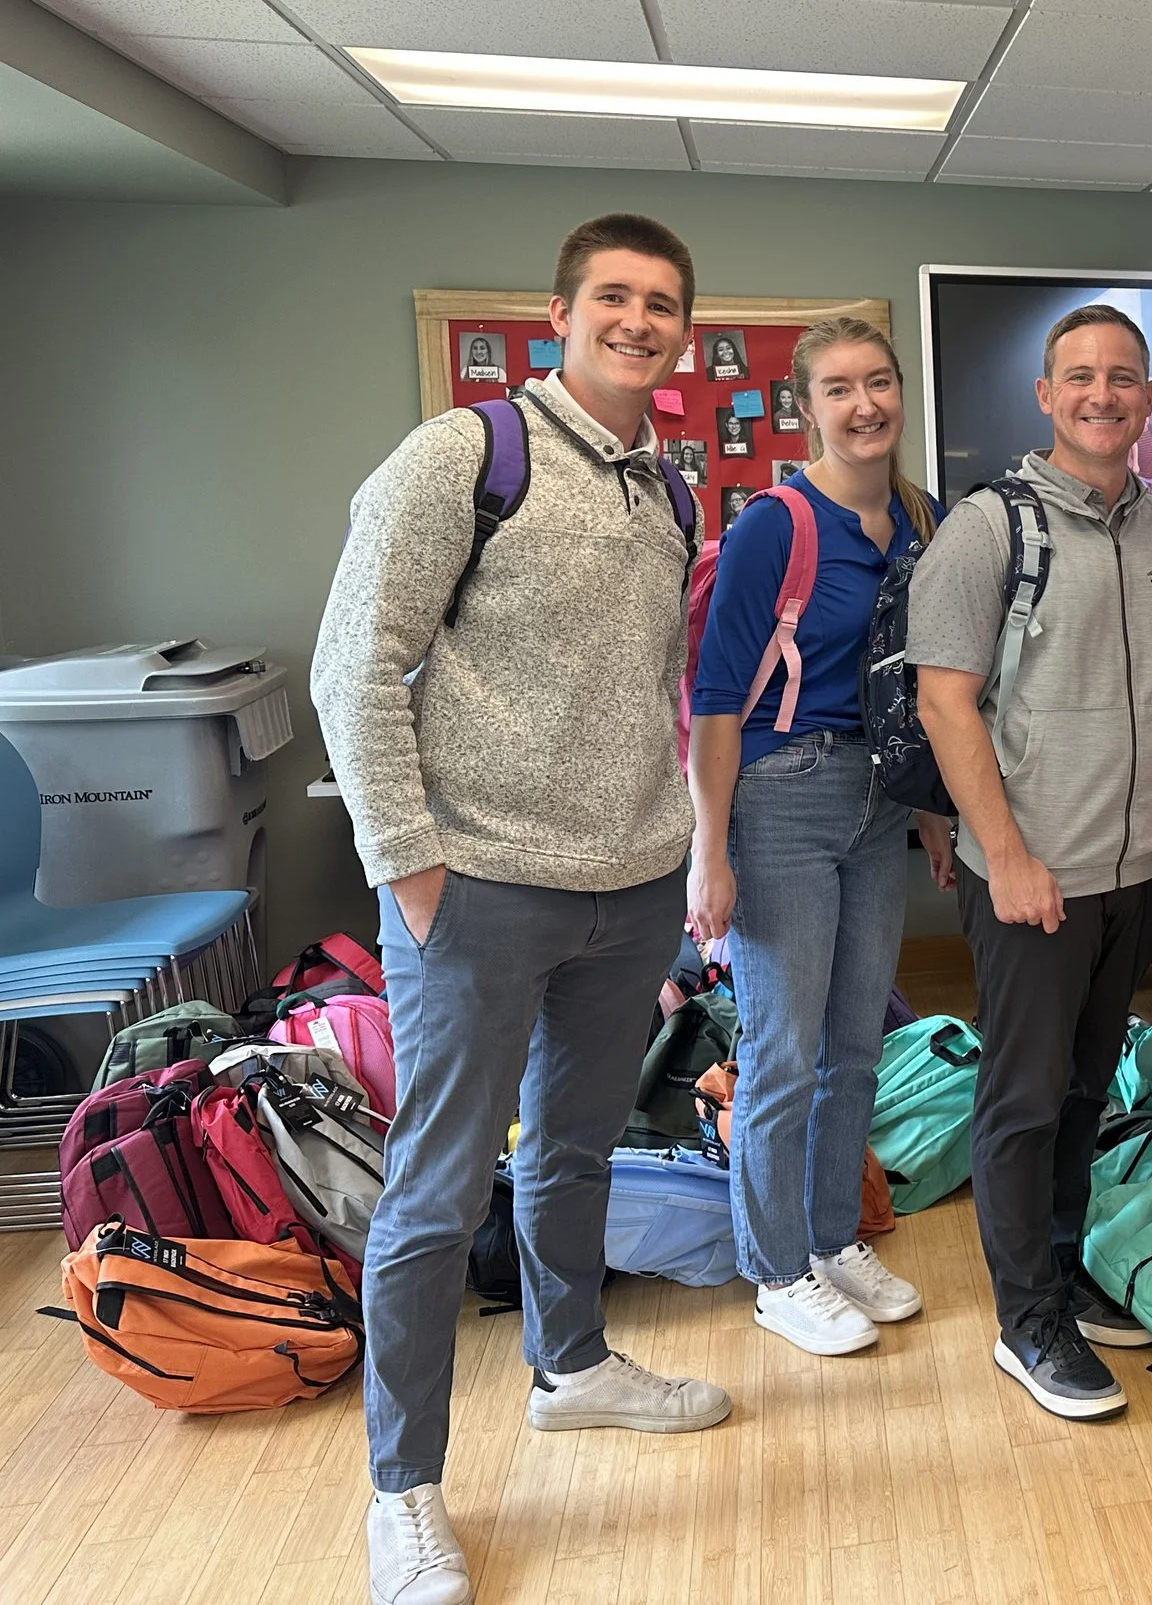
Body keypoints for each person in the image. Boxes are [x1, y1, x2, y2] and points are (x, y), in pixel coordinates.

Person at [313, 214, 731, 1605]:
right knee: (436, 1190)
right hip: (478, 888)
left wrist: (673, 845)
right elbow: (352, 666)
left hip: (630, 886)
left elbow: (650, 692)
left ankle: (574, 1366)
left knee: (574, 1151)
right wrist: (410, 865)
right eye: (614, 295)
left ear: (683, 332)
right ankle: (404, 1487)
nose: (638, 320)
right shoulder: (466, 455)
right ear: (560, 313)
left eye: (662, 303)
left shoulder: (667, 490)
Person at [905, 302, 1152, 1420]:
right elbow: (945, 704)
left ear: (1150, 398)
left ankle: (1063, 1271)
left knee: (1087, 1087)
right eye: (1079, 375)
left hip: (1139, 873)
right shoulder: (988, 529)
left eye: (1123, 376)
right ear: (1045, 394)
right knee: (1024, 1100)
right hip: (1032, 878)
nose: (1101, 394)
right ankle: (1024, 1321)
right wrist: (1007, 854)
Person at [686, 316, 955, 1361]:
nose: (864, 404)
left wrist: (929, 811)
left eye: (879, 382)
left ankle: (834, 1238)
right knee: (783, 1052)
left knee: (855, 1045)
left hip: (877, 799)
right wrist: (711, 851)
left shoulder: (921, 519)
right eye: (838, 388)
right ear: (806, 408)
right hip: (780, 798)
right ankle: (775, 1270)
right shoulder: (777, 525)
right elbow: (717, 698)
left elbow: (915, 684)